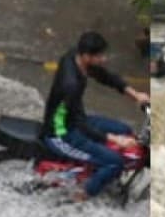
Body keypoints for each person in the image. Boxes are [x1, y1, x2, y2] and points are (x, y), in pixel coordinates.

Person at [42, 31, 149, 202]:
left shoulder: (76, 57)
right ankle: (81, 196)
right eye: (99, 56)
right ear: (86, 56)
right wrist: (115, 139)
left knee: (125, 130)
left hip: (74, 120)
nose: (103, 59)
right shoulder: (71, 84)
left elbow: (105, 76)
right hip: (60, 133)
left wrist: (136, 95)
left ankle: (101, 175)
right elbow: (81, 124)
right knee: (115, 162)